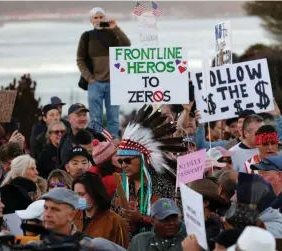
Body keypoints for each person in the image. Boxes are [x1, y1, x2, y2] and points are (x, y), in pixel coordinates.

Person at [111, 105, 187, 238]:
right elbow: (112, 217)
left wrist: (141, 219)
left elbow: (178, 223)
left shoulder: (165, 185)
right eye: (121, 161)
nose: (123, 165)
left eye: (128, 160)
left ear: (144, 159)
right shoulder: (122, 188)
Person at [76, 7, 131, 138]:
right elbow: (80, 59)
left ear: (105, 19)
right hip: (95, 83)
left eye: (101, 17)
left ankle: (113, 145)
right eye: (96, 18)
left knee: (114, 119)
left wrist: (116, 28)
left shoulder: (113, 34)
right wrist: (90, 79)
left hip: (113, 83)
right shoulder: (87, 36)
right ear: (91, 20)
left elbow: (127, 46)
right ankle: (97, 144)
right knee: (95, 119)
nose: (99, 20)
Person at [72, 172, 128, 246]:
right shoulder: (73, 217)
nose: (77, 198)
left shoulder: (115, 221)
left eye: (81, 194)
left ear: (94, 193)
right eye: (75, 194)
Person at [250, 155, 282, 225]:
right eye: (259, 174)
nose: (260, 178)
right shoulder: (265, 198)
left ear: (279, 175)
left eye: (264, 174)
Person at [58, 103, 104, 167]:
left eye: (84, 115)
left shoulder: (97, 136)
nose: (83, 119)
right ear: (69, 119)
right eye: (79, 115)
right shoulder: (65, 141)